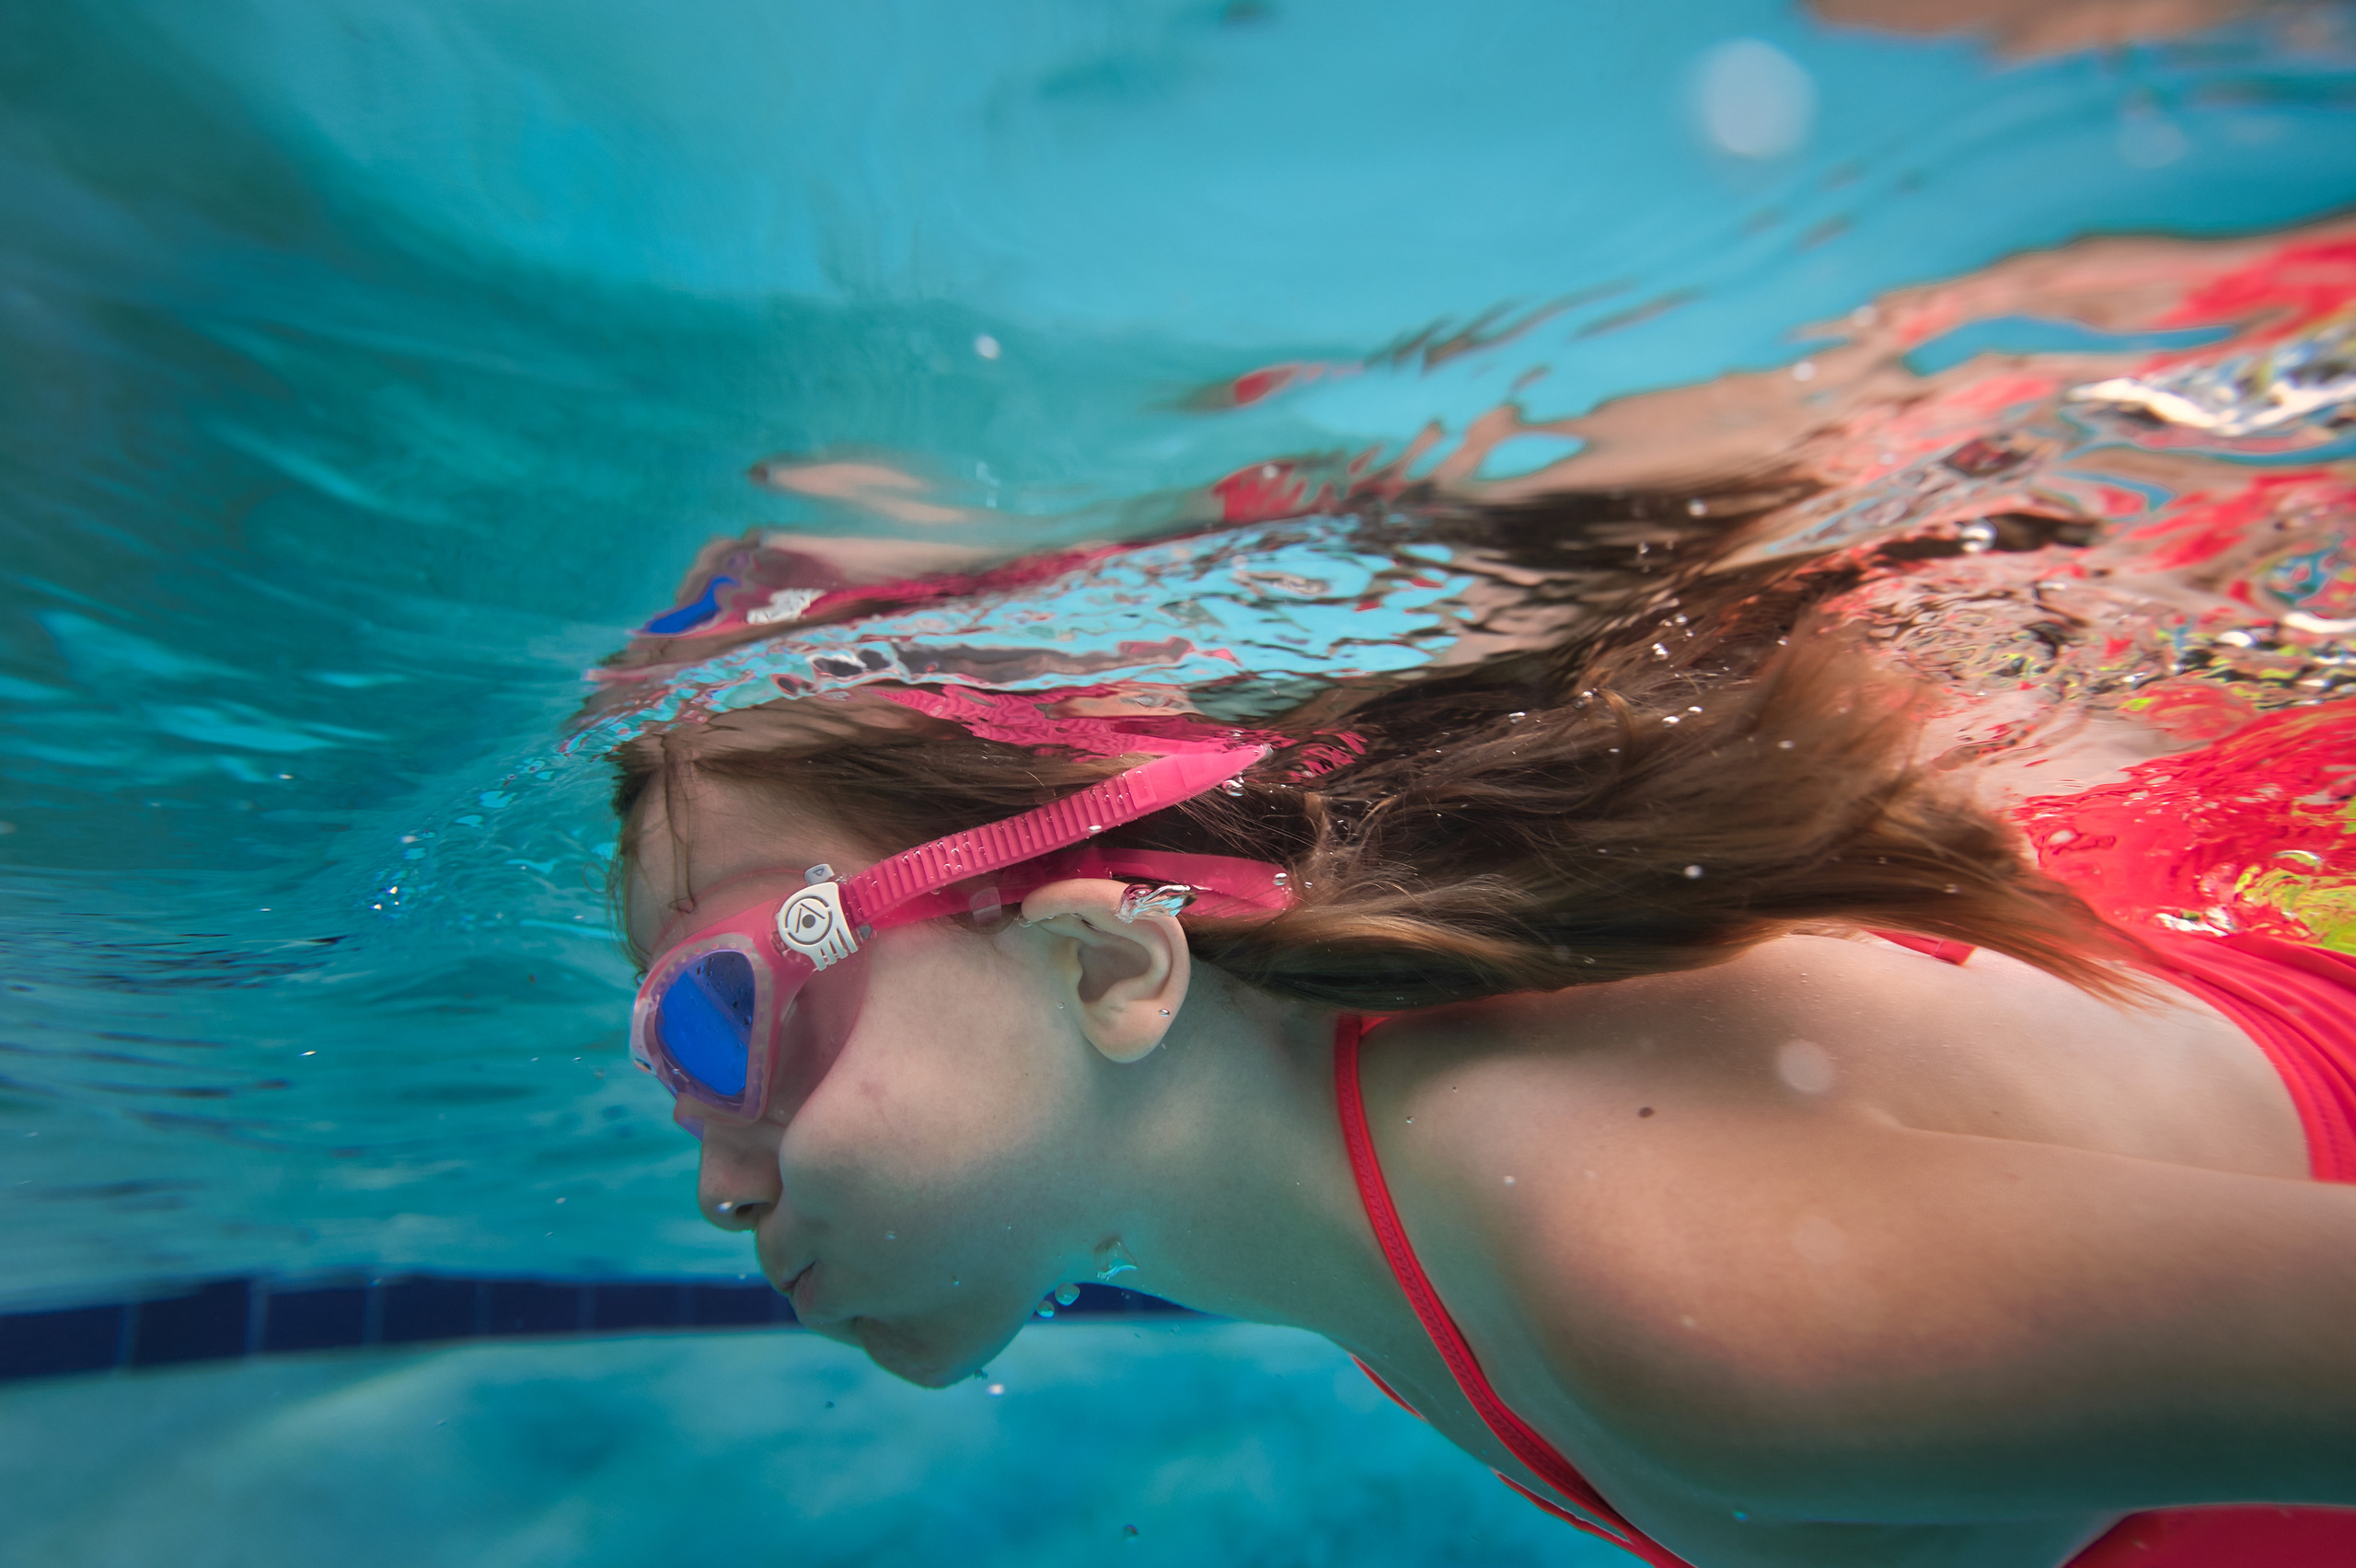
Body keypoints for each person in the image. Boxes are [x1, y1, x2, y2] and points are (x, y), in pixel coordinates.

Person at [599, 466, 2356, 1568]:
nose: (720, 1186)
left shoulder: (1673, 1281)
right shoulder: (1363, 1177)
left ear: (1110, 967)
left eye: (720, 1027)